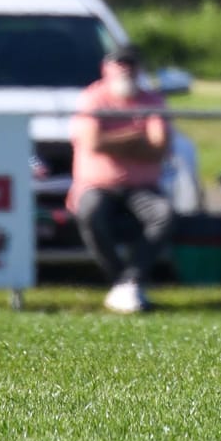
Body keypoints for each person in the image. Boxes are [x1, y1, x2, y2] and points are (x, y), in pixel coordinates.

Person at [68, 45, 175, 314]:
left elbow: (160, 147)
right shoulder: (93, 99)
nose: (126, 69)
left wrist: (114, 141)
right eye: (119, 64)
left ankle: (131, 280)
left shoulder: (152, 101)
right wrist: (137, 136)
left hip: (142, 189)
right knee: (90, 212)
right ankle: (122, 281)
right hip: (98, 186)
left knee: (164, 215)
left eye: (131, 64)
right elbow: (94, 142)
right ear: (107, 68)